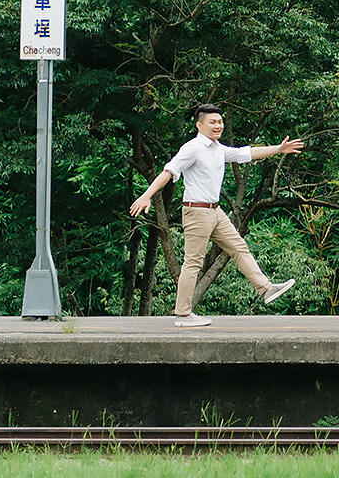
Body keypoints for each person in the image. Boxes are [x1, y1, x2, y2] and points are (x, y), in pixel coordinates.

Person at [129, 103, 304, 327]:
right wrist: (147, 195)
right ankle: (183, 315)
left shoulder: (218, 149)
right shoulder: (192, 148)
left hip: (215, 211)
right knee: (193, 262)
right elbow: (169, 171)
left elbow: (246, 153)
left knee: (239, 247)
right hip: (197, 211)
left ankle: (266, 289)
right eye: (212, 122)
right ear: (199, 124)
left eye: (220, 121)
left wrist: (278, 149)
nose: (218, 125)